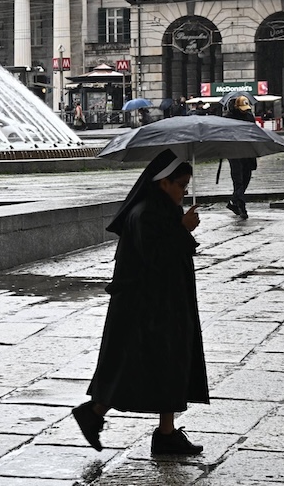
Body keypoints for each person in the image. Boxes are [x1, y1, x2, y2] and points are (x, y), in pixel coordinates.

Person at [72, 149, 207, 456]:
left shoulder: (164, 209)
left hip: (164, 304)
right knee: (135, 366)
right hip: (146, 308)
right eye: (181, 184)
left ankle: (166, 432)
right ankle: (94, 413)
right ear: (163, 183)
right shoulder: (145, 213)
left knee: (167, 366)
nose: (185, 190)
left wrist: (180, 226)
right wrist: (182, 229)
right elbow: (155, 258)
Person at [224, 97, 258, 219]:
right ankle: (242, 207)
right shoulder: (228, 118)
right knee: (238, 180)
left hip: (248, 151)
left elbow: (255, 132)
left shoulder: (249, 116)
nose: (245, 111)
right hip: (234, 152)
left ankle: (234, 202)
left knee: (246, 178)